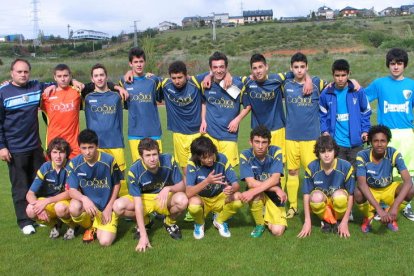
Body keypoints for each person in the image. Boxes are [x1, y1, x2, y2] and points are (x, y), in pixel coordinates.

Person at [112, 138, 188, 252]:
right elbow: (137, 204)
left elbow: (182, 186)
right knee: (118, 206)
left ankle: (169, 223)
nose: (152, 159)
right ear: (141, 157)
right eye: (148, 155)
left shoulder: (169, 160)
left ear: (159, 153)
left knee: (183, 200)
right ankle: (145, 222)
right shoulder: (134, 170)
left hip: (163, 197)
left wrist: (168, 188)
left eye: (154, 154)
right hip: (143, 199)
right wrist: (143, 236)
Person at [365, 48, 414, 221]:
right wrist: (354, 85)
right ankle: (384, 206)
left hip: (407, 134)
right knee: (386, 172)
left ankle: (405, 207)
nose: (395, 67)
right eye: (392, 63)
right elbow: (362, 99)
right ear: (388, 65)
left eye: (399, 63)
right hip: (385, 136)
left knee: (409, 172)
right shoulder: (379, 84)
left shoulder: (411, 85)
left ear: (404, 65)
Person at [0, 58, 48, 234]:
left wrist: (75, 81)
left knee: (40, 182)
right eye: (19, 72)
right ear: (12, 73)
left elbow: (59, 81)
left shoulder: (35, 87)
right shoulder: (3, 92)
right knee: (20, 186)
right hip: (15, 149)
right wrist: (1, 147)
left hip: (35, 146)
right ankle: (24, 221)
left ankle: (40, 214)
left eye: (26, 71)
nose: (23, 74)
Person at [283, 52, 327, 219]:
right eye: (296, 67)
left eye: (302, 67)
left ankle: (316, 205)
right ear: (291, 68)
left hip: (311, 138)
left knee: (313, 173)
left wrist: (354, 81)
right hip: (291, 137)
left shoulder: (317, 83)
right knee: (292, 172)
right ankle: (293, 206)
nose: (299, 70)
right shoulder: (286, 84)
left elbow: (338, 84)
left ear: (307, 67)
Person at [354, 125, 414, 233]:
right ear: (371, 142)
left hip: (388, 189)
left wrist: (395, 207)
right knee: (358, 192)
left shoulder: (393, 153)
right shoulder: (362, 155)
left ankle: (390, 215)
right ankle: (368, 216)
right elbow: (362, 184)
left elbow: (408, 181)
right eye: (375, 141)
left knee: (411, 189)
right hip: (371, 189)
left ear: (388, 142)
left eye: (383, 141)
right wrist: (378, 209)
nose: (379, 144)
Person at [67, 129, 122, 246]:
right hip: (89, 207)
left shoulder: (109, 160)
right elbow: (71, 190)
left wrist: (109, 207)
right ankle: (91, 226)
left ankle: (97, 227)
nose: (87, 152)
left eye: (91, 147)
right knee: (74, 207)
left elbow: (117, 184)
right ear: (79, 148)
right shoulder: (74, 163)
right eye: (84, 148)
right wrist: (84, 199)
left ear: (97, 146)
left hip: (106, 207)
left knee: (105, 242)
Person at [297, 135, 355, 238]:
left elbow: (351, 195)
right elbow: (306, 194)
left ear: (335, 151)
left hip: (337, 201)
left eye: (329, 150)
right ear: (318, 153)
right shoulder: (311, 167)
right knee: (315, 197)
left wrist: (345, 222)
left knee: (340, 197)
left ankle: (338, 220)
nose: (326, 155)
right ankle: (326, 220)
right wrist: (307, 221)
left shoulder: (346, 166)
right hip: (323, 201)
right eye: (323, 151)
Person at [200, 51, 250, 167]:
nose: (218, 70)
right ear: (210, 68)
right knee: (208, 168)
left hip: (229, 134)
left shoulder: (237, 85)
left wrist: (237, 120)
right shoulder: (206, 85)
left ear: (226, 68)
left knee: (227, 170)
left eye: (222, 67)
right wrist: (203, 120)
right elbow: (204, 102)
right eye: (215, 67)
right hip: (210, 133)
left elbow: (247, 106)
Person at [83, 63, 127, 196]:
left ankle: (124, 204)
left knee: (120, 176)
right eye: (96, 76)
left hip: (116, 143)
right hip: (97, 145)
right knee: (99, 177)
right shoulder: (87, 98)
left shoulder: (117, 96)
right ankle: (100, 204)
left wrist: (118, 87)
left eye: (102, 75)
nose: (99, 78)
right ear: (92, 79)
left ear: (106, 77)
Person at [186, 136, 242, 239]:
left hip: (219, 197)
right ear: (197, 157)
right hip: (203, 200)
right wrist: (207, 181)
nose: (210, 159)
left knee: (238, 197)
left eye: (211, 155)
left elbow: (236, 184)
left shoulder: (222, 158)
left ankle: (220, 220)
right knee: (193, 204)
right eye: (205, 157)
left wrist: (231, 189)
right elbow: (188, 193)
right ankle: (199, 224)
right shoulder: (192, 163)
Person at [319, 59, 371, 168]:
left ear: (348, 74)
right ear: (333, 75)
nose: (340, 79)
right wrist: (325, 131)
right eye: (337, 75)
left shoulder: (358, 91)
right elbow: (322, 114)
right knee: (341, 174)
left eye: (343, 75)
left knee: (358, 175)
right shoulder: (326, 93)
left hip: (356, 143)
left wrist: (365, 130)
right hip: (337, 143)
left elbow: (366, 111)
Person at [239, 125, 287, 238]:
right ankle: (259, 224)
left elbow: (275, 178)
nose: (260, 146)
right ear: (250, 142)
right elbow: (250, 183)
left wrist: (273, 189)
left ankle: (266, 213)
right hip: (270, 190)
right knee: (254, 192)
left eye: (264, 142)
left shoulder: (276, 151)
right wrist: (275, 188)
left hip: (274, 195)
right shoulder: (245, 155)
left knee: (277, 232)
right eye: (257, 142)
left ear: (269, 143)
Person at [26, 137, 76, 239]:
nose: (58, 156)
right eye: (54, 152)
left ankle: (72, 225)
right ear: (50, 154)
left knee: (60, 208)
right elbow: (30, 193)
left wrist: (47, 201)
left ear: (66, 153)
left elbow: (70, 193)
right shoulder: (45, 167)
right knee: (30, 210)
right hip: (50, 202)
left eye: (61, 152)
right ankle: (54, 225)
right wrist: (38, 208)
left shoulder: (71, 166)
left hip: (66, 201)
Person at [120, 47, 163, 162]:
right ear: (130, 63)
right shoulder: (123, 82)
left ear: (145, 62)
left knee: (157, 166)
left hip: (154, 132)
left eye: (141, 61)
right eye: (135, 62)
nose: (139, 65)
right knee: (139, 169)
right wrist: (125, 77)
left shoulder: (154, 80)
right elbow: (109, 86)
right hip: (135, 133)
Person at [41, 64, 81, 159]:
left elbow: (96, 86)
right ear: (55, 77)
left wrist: (117, 87)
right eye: (59, 76)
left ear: (70, 76)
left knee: (74, 173)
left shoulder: (77, 92)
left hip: (73, 145)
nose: (63, 79)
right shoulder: (46, 95)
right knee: (55, 173)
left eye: (65, 76)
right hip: (53, 144)